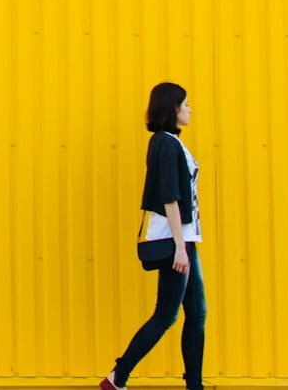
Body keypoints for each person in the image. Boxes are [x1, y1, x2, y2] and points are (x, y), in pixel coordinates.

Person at [101, 82, 206, 390]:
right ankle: (118, 377)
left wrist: (185, 243)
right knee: (166, 315)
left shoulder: (172, 142)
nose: (190, 109)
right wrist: (179, 248)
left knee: (197, 314)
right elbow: (170, 197)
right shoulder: (165, 144)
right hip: (176, 240)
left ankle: (195, 384)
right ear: (173, 108)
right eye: (186, 104)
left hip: (185, 239)